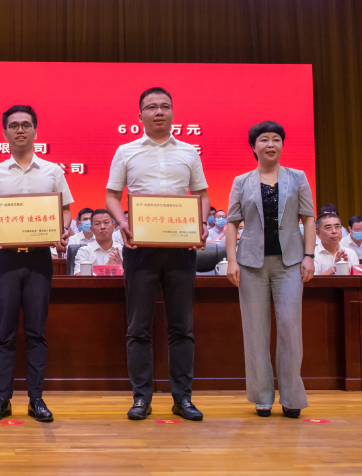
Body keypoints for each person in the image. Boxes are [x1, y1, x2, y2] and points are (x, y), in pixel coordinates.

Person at [105, 87, 211, 422]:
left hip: (181, 248)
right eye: (152, 107)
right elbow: (111, 196)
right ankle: (141, 398)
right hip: (141, 249)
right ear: (140, 116)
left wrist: (201, 225)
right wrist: (123, 223)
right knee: (139, 327)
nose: (159, 112)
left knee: (182, 326)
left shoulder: (189, 152)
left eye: (165, 106)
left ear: (173, 113)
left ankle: (183, 398)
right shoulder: (126, 151)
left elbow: (201, 194)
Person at [0, 104, 72, 423]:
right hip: (5, 260)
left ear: (35, 131)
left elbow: (65, 210)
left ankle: (36, 399)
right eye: (14, 125)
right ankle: (2, 399)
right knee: (4, 332)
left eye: (26, 125)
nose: (20, 130)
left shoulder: (53, 171)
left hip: (39, 259)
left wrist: (63, 230)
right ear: (5, 133)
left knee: (36, 332)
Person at [225, 120, 315, 419]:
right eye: (264, 139)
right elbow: (232, 222)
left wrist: (309, 255)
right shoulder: (241, 181)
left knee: (289, 328)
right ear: (254, 147)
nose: (270, 144)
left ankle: (291, 397)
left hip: (290, 263)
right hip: (251, 264)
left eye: (276, 139)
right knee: (255, 331)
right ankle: (262, 396)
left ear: (282, 145)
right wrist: (232, 260)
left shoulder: (298, 177)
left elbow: (309, 217)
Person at [74, 209, 123, 274]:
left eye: (106, 223)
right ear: (92, 229)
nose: (103, 227)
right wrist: (105, 269)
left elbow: (131, 277)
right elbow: (79, 276)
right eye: (97, 224)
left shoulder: (122, 251)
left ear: (113, 226)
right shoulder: (84, 251)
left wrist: (121, 269)